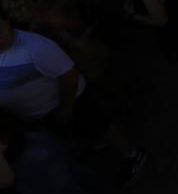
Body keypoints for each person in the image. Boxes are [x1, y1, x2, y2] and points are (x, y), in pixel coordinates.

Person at [0, 13, 146, 183]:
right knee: (85, 132)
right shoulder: (4, 49)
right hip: (44, 116)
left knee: (101, 127)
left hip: (70, 104)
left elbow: (69, 76)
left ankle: (133, 154)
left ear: (7, 21)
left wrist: (66, 108)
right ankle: (97, 142)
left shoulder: (36, 48)